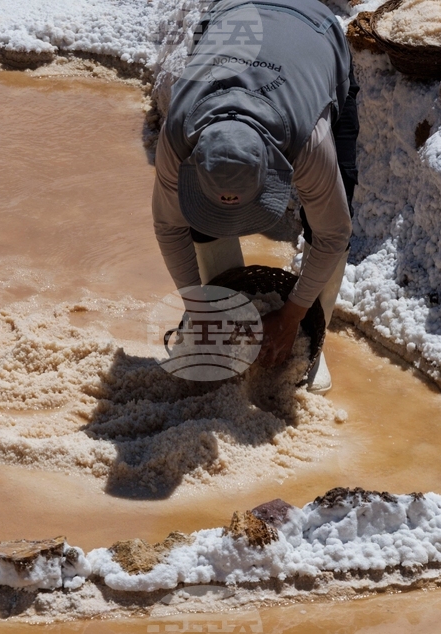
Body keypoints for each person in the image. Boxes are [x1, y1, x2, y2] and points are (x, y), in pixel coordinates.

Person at [153, 0, 359, 394]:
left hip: (312, 33)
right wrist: (200, 309)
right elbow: (169, 226)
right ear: (193, 162)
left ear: (275, 169)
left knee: (337, 202)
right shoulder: (179, 134)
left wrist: (292, 315)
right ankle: (224, 309)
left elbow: (334, 232)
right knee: (196, 217)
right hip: (237, 16)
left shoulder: (307, 141)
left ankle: (310, 343)